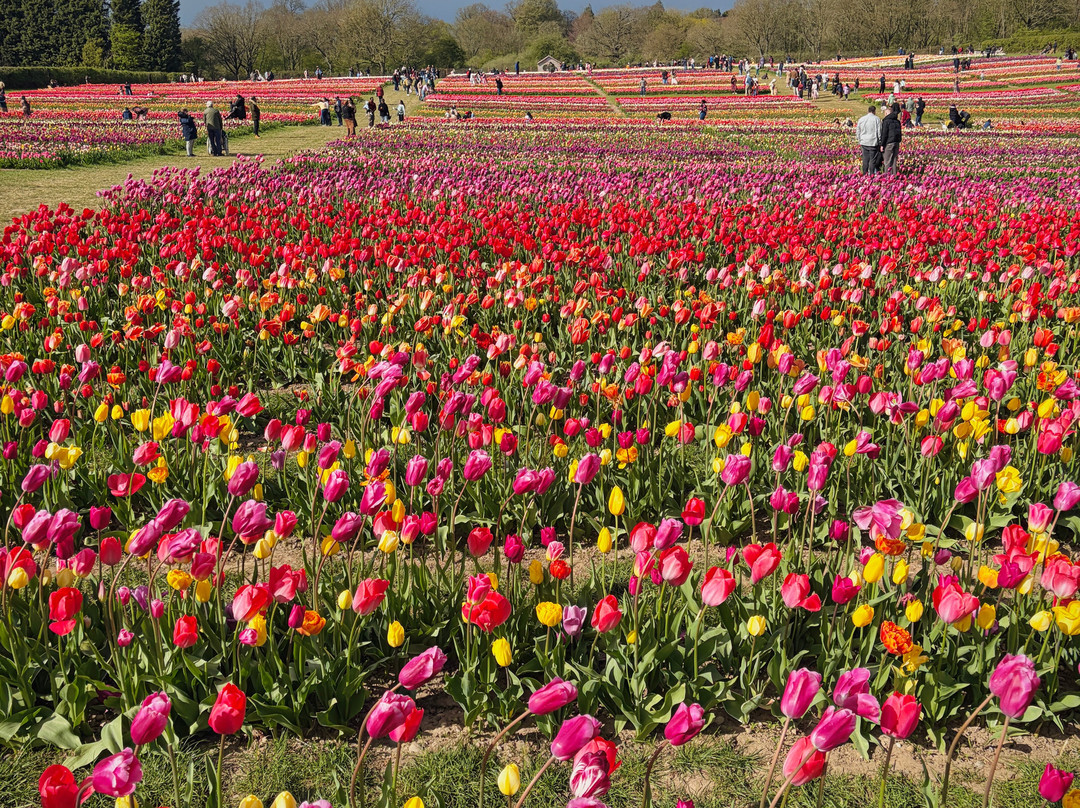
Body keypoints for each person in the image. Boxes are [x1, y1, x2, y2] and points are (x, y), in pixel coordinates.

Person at [856, 104, 881, 175]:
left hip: (864, 141)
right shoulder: (877, 119)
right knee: (872, 160)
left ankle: (865, 174)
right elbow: (879, 131)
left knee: (865, 159)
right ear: (874, 111)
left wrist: (859, 139)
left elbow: (858, 130)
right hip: (873, 142)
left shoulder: (862, 119)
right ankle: (871, 174)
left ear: (868, 111)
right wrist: (879, 141)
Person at [881, 102, 902, 173]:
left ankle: (887, 176)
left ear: (887, 113)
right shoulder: (897, 121)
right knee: (894, 160)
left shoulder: (886, 121)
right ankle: (894, 175)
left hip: (889, 142)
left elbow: (884, 134)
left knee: (887, 161)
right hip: (896, 142)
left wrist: (882, 144)